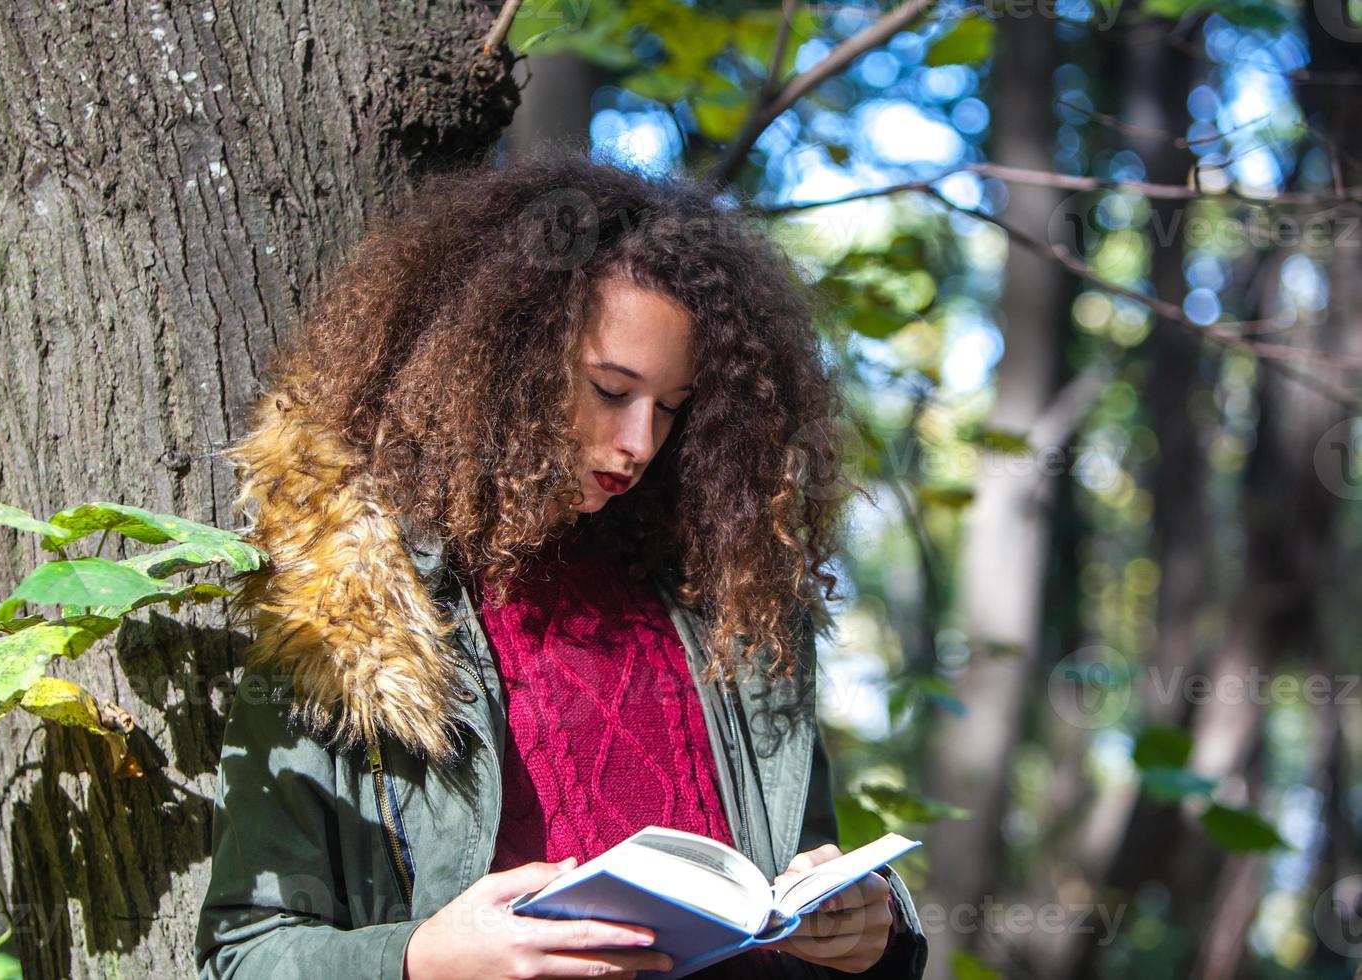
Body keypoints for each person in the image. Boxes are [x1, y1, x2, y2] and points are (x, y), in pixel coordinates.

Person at [193, 148, 929, 980]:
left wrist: (875, 935)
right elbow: (243, 954)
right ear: (503, 356)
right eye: (611, 391)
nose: (640, 444)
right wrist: (422, 960)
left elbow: (801, 889)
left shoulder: (726, 604)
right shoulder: (353, 604)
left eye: (673, 410)